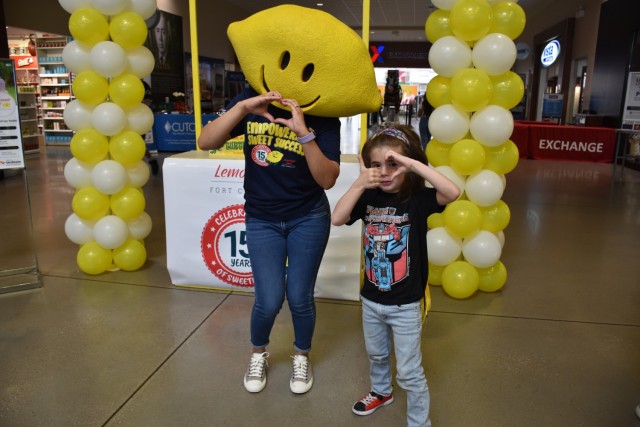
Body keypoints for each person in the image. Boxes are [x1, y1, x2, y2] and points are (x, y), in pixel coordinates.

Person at [197, 88, 341, 395]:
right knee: (269, 299)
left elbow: (327, 179)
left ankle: (302, 356)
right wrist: (243, 107)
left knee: (300, 297)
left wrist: (304, 133)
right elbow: (205, 142)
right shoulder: (251, 98)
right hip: (262, 218)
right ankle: (258, 353)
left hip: (308, 216)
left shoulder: (323, 108)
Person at [331, 125, 460, 426]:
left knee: (410, 371)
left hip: (405, 305)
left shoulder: (417, 199)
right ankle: (381, 391)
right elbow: (337, 219)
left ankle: (419, 422)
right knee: (376, 355)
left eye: (393, 164)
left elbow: (452, 192)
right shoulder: (368, 197)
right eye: (376, 165)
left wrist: (413, 164)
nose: (385, 172)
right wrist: (360, 184)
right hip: (372, 300)